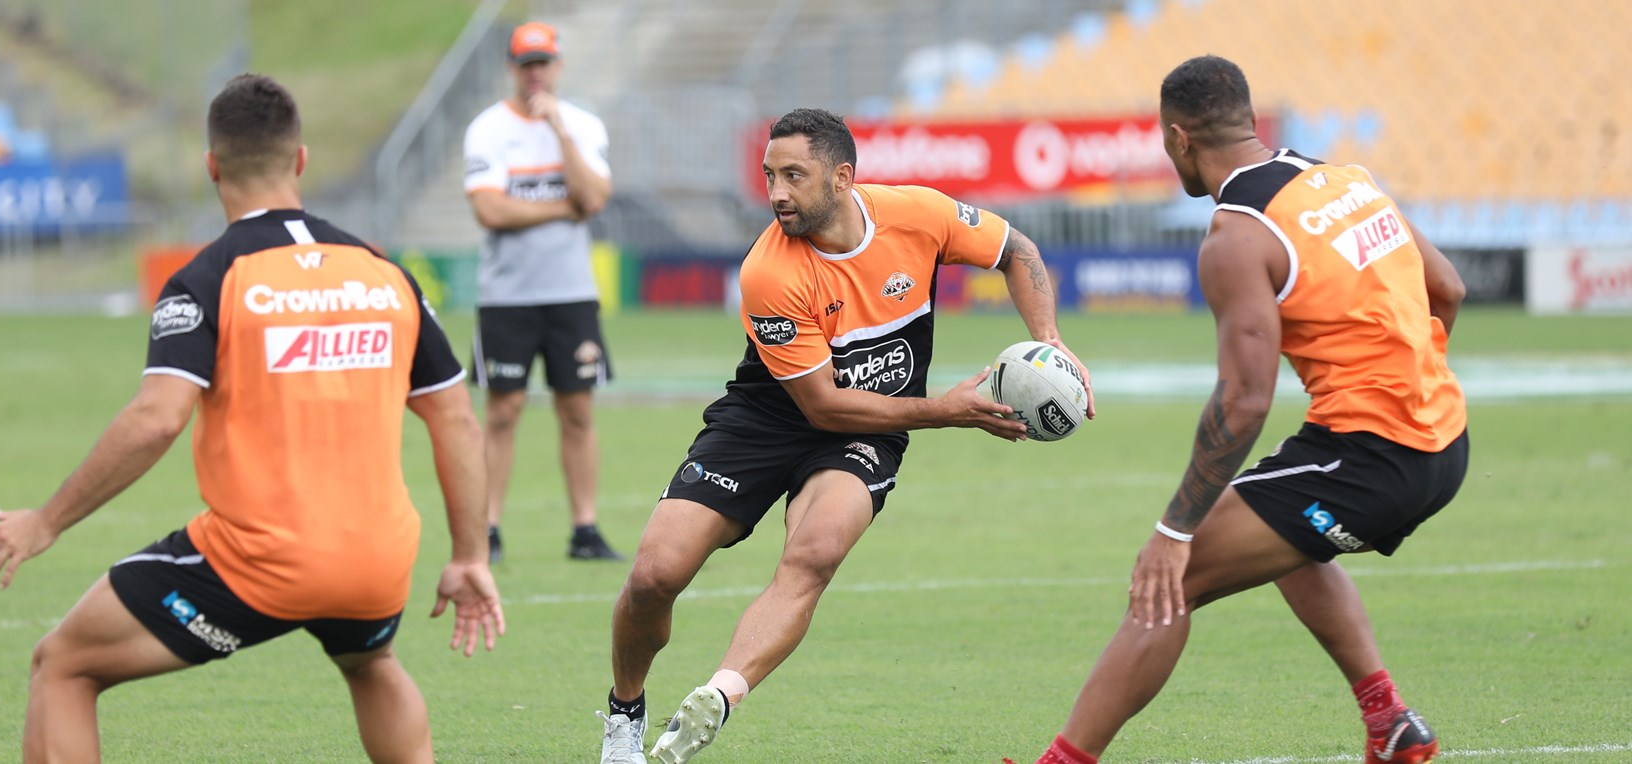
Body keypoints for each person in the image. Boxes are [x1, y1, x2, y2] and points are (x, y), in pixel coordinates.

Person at [0, 74, 505, 763]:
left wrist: (46, 520)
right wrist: (468, 557)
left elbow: (157, 420)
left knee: (63, 664)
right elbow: (455, 418)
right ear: (300, 159)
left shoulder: (210, 278)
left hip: (262, 559)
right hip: (376, 558)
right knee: (368, 662)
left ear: (211, 165)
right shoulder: (384, 274)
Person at [598, 107, 1096, 764]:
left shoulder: (918, 215)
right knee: (653, 575)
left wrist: (1049, 342)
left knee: (815, 554)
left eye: (794, 175)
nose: (777, 192)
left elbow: (1017, 251)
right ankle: (624, 716)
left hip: (866, 432)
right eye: (770, 175)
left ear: (842, 177)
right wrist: (944, 410)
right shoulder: (768, 272)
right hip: (770, 418)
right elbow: (825, 405)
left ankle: (718, 695)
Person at [1018, 56, 1467, 764]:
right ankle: (1390, 722)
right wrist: (1406, 385)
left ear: (1177, 139)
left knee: (1171, 580)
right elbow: (1447, 289)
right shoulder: (1348, 181)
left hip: (1375, 456)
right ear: (1248, 121)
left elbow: (1244, 400)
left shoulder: (1237, 234)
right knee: (1280, 530)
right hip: (1445, 440)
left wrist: (1174, 529)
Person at [461, 21, 621, 562]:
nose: (535, 74)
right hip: (506, 296)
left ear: (557, 65)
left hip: (571, 292)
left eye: (543, 63)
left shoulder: (580, 124)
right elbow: (490, 209)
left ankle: (585, 529)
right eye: (526, 64)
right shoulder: (487, 129)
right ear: (511, 67)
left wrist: (559, 132)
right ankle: (487, 530)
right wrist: (562, 208)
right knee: (502, 411)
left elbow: (595, 197)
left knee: (577, 411)